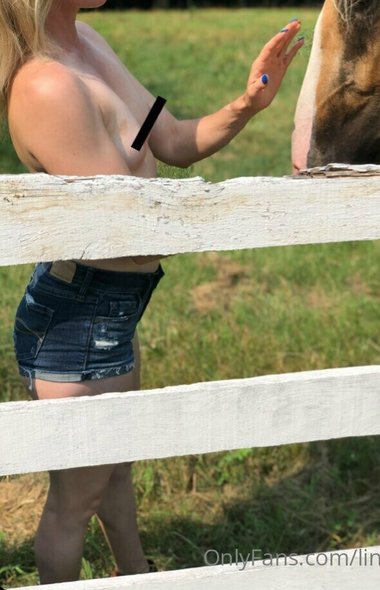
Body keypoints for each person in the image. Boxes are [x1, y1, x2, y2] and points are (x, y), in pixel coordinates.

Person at [4, 0, 304, 583]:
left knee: (113, 470)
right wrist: (237, 216)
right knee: (73, 505)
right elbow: (130, 238)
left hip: (111, 310)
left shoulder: (86, 41)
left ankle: (136, 572)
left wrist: (249, 102)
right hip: (79, 322)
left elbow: (169, 138)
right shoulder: (46, 85)